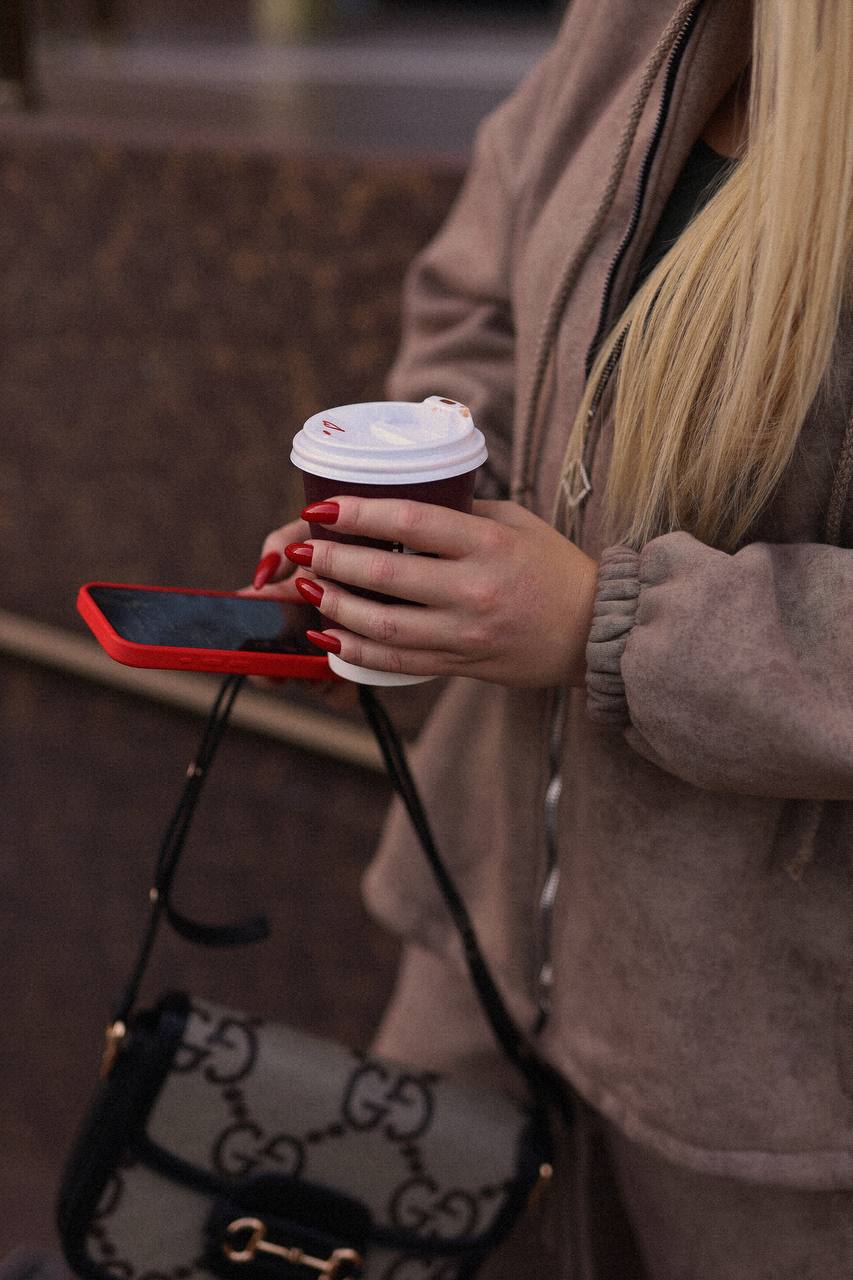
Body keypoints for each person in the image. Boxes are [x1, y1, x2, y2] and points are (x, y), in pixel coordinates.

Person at [252, 1, 853, 1275]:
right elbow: (477, 293)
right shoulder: (633, 24)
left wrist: (605, 620)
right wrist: (419, 514)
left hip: (778, 1071)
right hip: (480, 933)